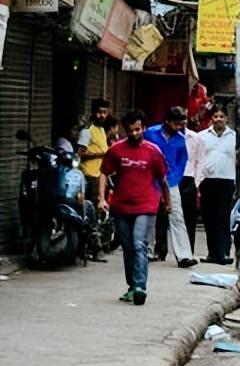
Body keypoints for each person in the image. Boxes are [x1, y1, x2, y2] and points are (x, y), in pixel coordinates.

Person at [98, 110, 169, 305]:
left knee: (139, 245)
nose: (134, 134)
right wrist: (101, 198)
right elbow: (104, 173)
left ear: (144, 128)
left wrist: (167, 202)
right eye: (130, 131)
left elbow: (162, 179)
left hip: (146, 205)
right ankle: (131, 285)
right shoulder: (116, 150)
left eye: (137, 130)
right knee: (128, 247)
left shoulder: (153, 152)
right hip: (121, 206)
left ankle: (140, 287)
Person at [143, 107, 197, 268]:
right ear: (167, 121)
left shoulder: (180, 139)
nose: (179, 127)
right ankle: (148, 250)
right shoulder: (151, 134)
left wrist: (174, 179)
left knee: (177, 216)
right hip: (150, 180)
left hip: (171, 181)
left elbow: (182, 161)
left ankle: (184, 255)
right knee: (148, 215)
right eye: (177, 124)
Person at [193, 105, 237, 264]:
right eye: (215, 117)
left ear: (227, 118)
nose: (218, 119)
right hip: (207, 181)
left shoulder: (234, 137)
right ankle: (212, 253)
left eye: (221, 116)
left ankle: (224, 252)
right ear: (211, 119)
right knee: (209, 218)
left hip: (226, 181)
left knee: (222, 218)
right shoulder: (202, 136)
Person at [78, 99, 111, 203]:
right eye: (99, 112)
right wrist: (101, 154)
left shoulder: (100, 128)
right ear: (93, 112)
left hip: (100, 174)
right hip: (90, 176)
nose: (102, 116)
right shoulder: (87, 129)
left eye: (105, 113)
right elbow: (80, 153)